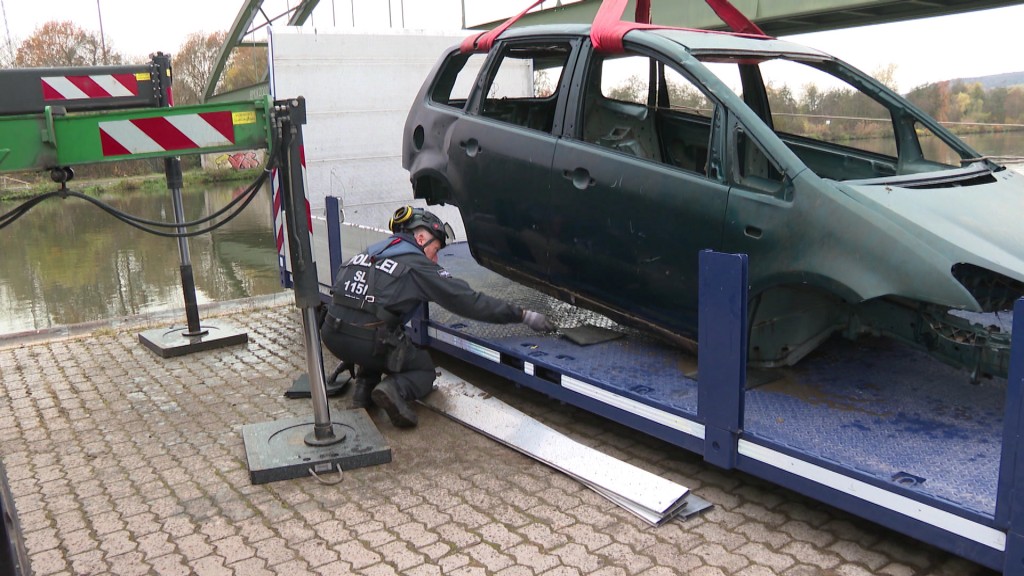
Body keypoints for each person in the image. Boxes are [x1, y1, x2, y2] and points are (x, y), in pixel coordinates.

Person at [320, 206, 556, 428]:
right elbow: (469, 301)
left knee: (380, 330)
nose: (435, 259)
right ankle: (393, 389)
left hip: (332, 335)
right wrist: (523, 315)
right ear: (421, 239)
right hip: (364, 342)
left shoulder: (370, 252)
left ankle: (363, 391)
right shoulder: (418, 265)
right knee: (422, 369)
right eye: (436, 250)